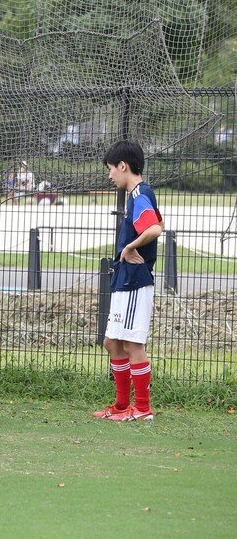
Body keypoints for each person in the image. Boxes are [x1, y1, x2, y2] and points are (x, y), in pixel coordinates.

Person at [93, 140, 162, 422]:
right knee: (112, 342)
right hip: (125, 279)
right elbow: (159, 222)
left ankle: (142, 409)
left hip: (135, 280)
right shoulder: (138, 195)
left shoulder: (140, 194)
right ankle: (122, 405)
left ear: (123, 166)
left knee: (133, 344)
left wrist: (131, 247)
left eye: (111, 169)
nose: (110, 175)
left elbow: (155, 228)